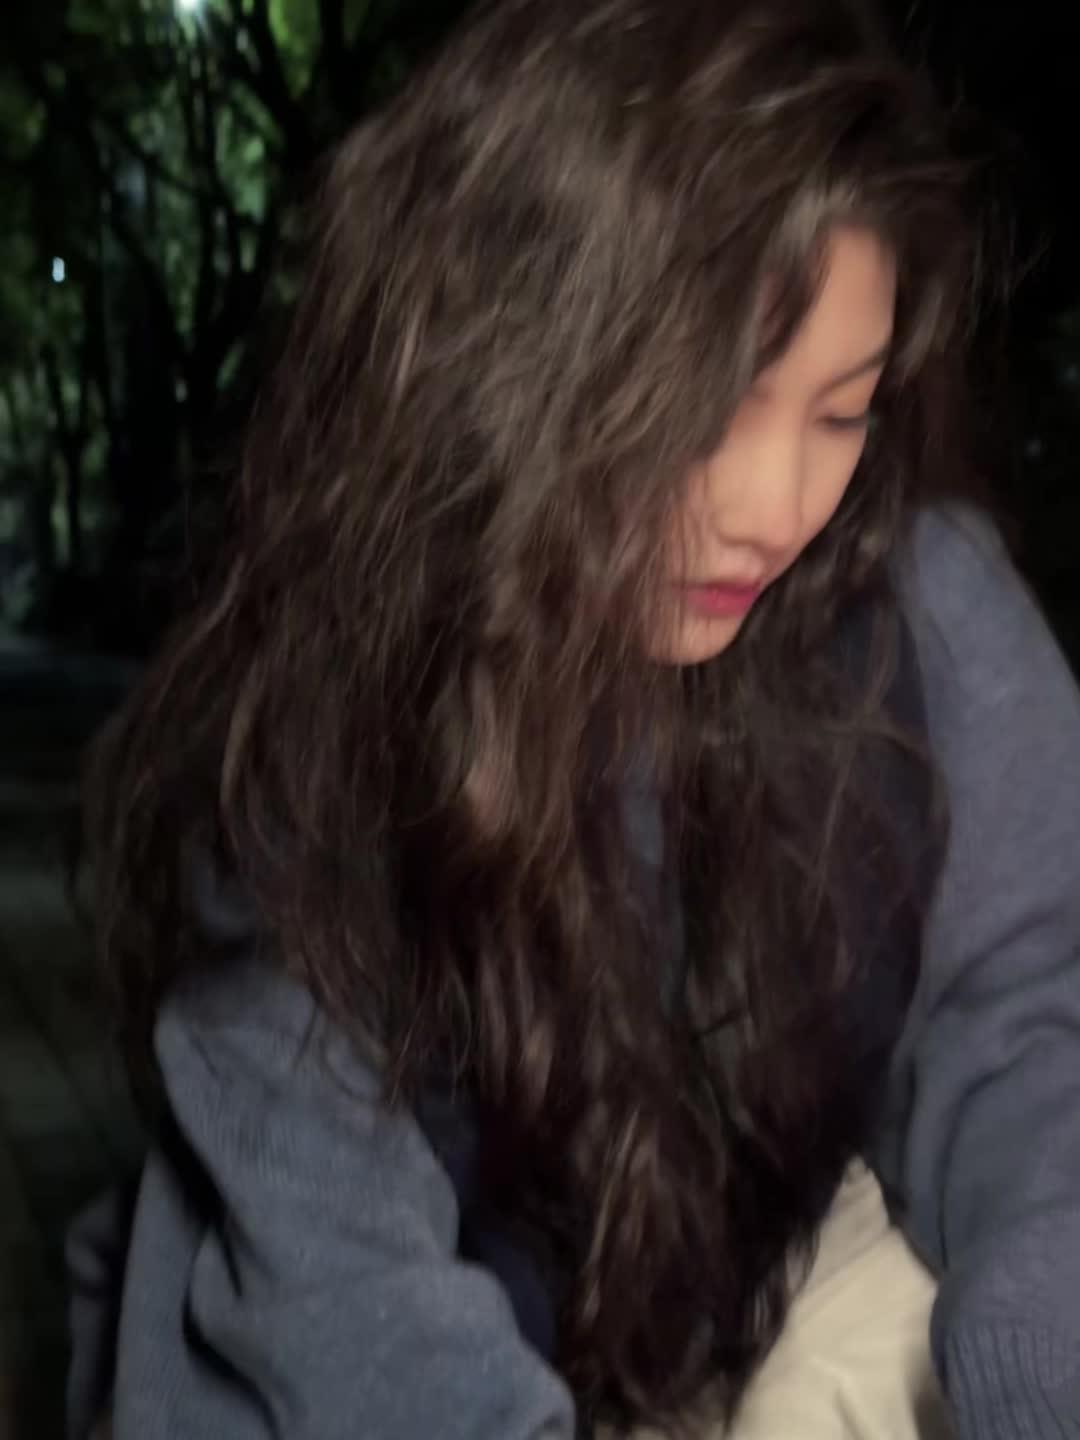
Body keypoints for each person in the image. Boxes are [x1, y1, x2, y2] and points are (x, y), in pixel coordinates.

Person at [68, 0, 1080, 1437]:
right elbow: (338, 1295)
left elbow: (1034, 1038)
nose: (773, 505)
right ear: (507, 375)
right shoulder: (316, 724)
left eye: (840, 412)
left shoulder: (931, 615)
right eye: (703, 405)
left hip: (714, 1323)